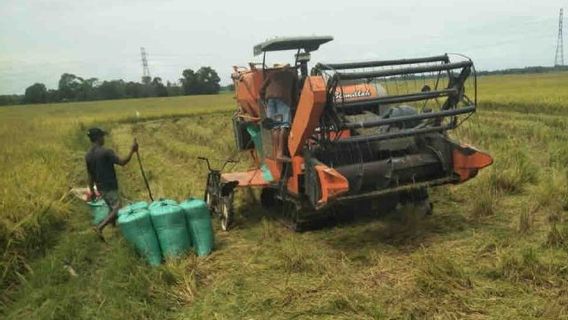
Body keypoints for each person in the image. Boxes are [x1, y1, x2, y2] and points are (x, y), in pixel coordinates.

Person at [85, 127, 138, 240]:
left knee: (111, 207)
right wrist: (132, 151)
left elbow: (90, 175)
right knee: (117, 208)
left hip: (100, 187)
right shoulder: (106, 152)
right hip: (109, 185)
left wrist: (92, 190)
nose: (104, 138)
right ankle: (100, 228)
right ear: (98, 138)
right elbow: (122, 162)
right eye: (102, 136)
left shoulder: (88, 155)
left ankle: (115, 230)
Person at [259, 64, 298, 160]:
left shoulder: (272, 74)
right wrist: (295, 104)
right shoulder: (293, 75)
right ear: (289, 68)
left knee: (275, 126)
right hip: (283, 100)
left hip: (270, 101)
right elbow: (295, 93)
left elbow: (261, 90)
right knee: (284, 125)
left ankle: (276, 153)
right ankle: (281, 153)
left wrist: (264, 102)